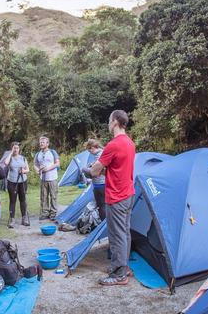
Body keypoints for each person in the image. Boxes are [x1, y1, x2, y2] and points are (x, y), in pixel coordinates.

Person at [87, 110, 135, 286]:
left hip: (116, 196)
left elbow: (94, 171)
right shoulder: (129, 142)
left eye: (109, 120)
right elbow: (118, 167)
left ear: (115, 122)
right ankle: (124, 267)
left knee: (117, 235)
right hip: (128, 194)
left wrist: (90, 169)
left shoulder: (113, 145)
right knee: (125, 232)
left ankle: (119, 274)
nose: (108, 123)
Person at [2, 142, 30, 228]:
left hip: (22, 181)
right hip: (12, 182)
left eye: (17, 148)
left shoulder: (23, 158)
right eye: (14, 148)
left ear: (19, 149)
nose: (16, 149)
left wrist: (23, 171)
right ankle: (12, 219)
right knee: (12, 200)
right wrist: (10, 153)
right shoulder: (9, 158)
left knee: (23, 199)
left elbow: (27, 169)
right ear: (12, 149)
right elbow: (5, 163)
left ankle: (24, 218)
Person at [34, 136, 60, 221]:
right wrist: (37, 170)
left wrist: (48, 169)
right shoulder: (38, 154)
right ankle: (45, 213)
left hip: (52, 178)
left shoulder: (53, 152)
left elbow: (57, 164)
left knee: (53, 196)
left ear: (47, 143)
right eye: (40, 142)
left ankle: (53, 214)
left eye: (43, 142)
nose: (41, 144)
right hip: (43, 178)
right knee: (43, 196)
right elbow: (35, 164)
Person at [82, 139, 106, 221]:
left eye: (89, 150)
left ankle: (103, 227)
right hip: (100, 184)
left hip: (101, 185)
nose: (89, 152)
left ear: (92, 148)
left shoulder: (100, 154)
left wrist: (84, 169)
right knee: (103, 206)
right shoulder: (101, 154)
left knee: (102, 206)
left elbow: (94, 172)